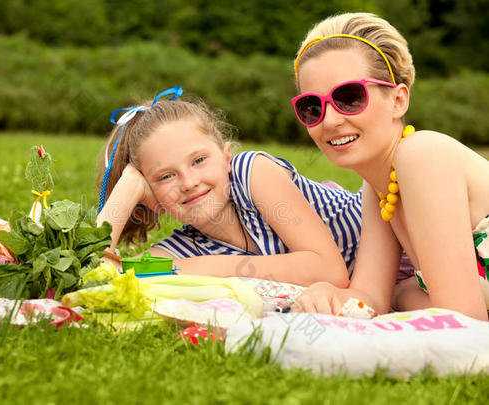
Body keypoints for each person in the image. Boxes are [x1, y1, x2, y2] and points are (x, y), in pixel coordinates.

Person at [289, 13, 489, 320]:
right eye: (312, 107)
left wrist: (407, 296)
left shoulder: (423, 155)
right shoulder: (380, 189)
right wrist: (326, 296)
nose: (329, 120)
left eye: (350, 97)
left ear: (398, 100)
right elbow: (369, 300)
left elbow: (463, 323)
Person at [95, 86, 362, 286]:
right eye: (165, 176)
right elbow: (97, 275)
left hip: (394, 232)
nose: (189, 183)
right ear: (150, 194)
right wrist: (127, 188)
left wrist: (201, 267)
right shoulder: (186, 249)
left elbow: (330, 272)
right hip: (384, 289)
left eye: (199, 160)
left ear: (226, 157)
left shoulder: (252, 173)